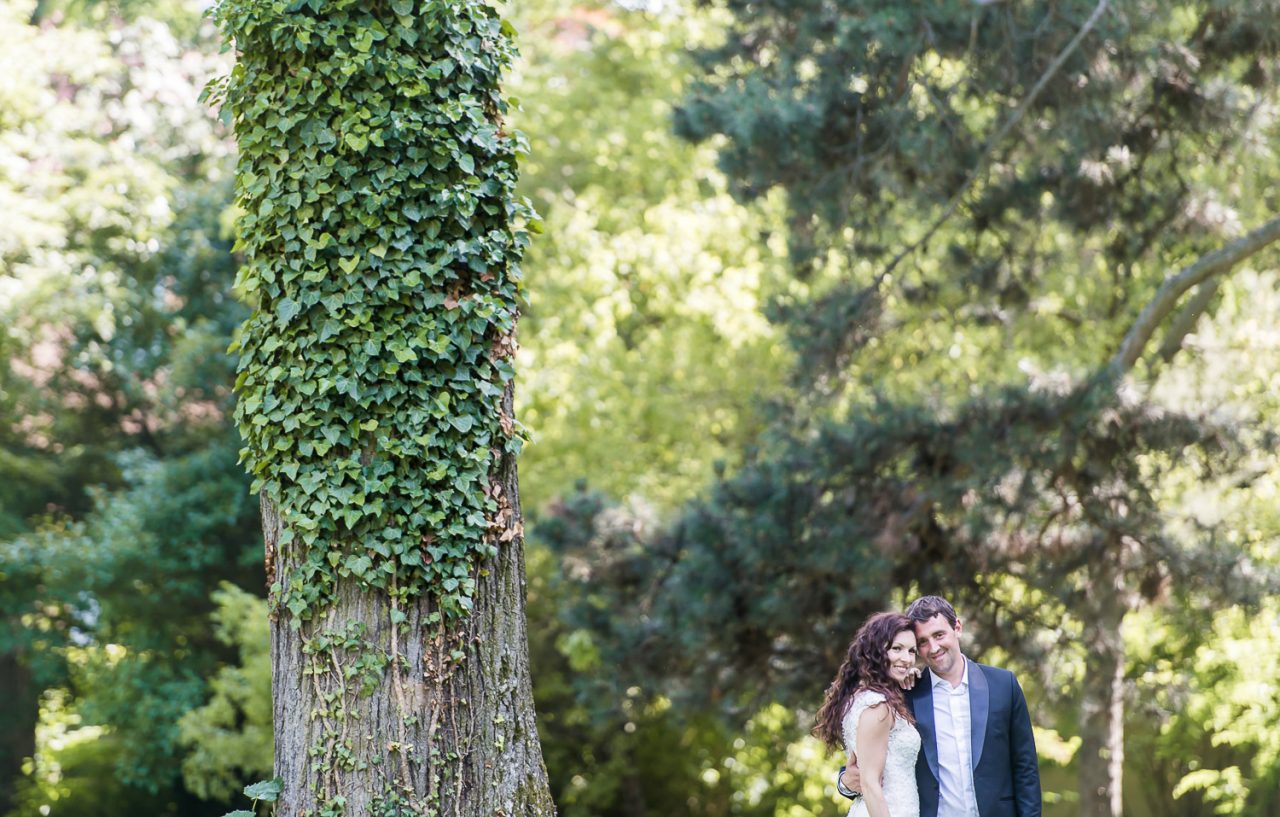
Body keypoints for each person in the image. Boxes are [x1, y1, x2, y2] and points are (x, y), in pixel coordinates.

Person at [837, 596, 1042, 817]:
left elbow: (1025, 767)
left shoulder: (1003, 685)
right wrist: (845, 783)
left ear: (957, 627)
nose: (933, 648)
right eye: (922, 642)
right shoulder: (904, 695)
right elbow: (871, 762)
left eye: (939, 635)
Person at [815, 612, 922, 817]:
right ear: (876, 650)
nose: (907, 659)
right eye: (897, 648)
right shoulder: (877, 706)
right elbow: (871, 785)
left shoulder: (871, 697)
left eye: (911, 651)